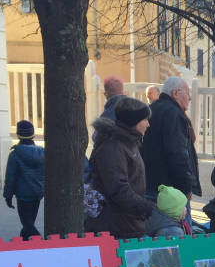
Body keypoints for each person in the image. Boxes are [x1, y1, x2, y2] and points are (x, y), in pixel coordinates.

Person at [83, 98, 155, 239]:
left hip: (127, 223)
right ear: (133, 121)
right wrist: (147, 208)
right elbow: (118, 189)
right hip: (114, 227)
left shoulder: (128, 143)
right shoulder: (113, 148)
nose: (148, 124)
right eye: (144, 119)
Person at [141, 76, 202, 235]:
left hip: (151, 186)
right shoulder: (174, 114)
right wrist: (186, 187)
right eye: (187, 93)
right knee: (179, 243)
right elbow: (178, 154)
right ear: (175, 93)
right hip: (172, 193)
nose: (189, 98)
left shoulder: (153, 109)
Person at [3, 120, 44, 240]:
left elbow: (10, 177)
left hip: (23, 196)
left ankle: (41, 243)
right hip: (37, 194)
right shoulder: (42, 153)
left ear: (18, 135)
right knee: (28, 223)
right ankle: (25, 243)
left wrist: (8, 196)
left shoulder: (15, 155)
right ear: (33, 135)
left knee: (27, 224)